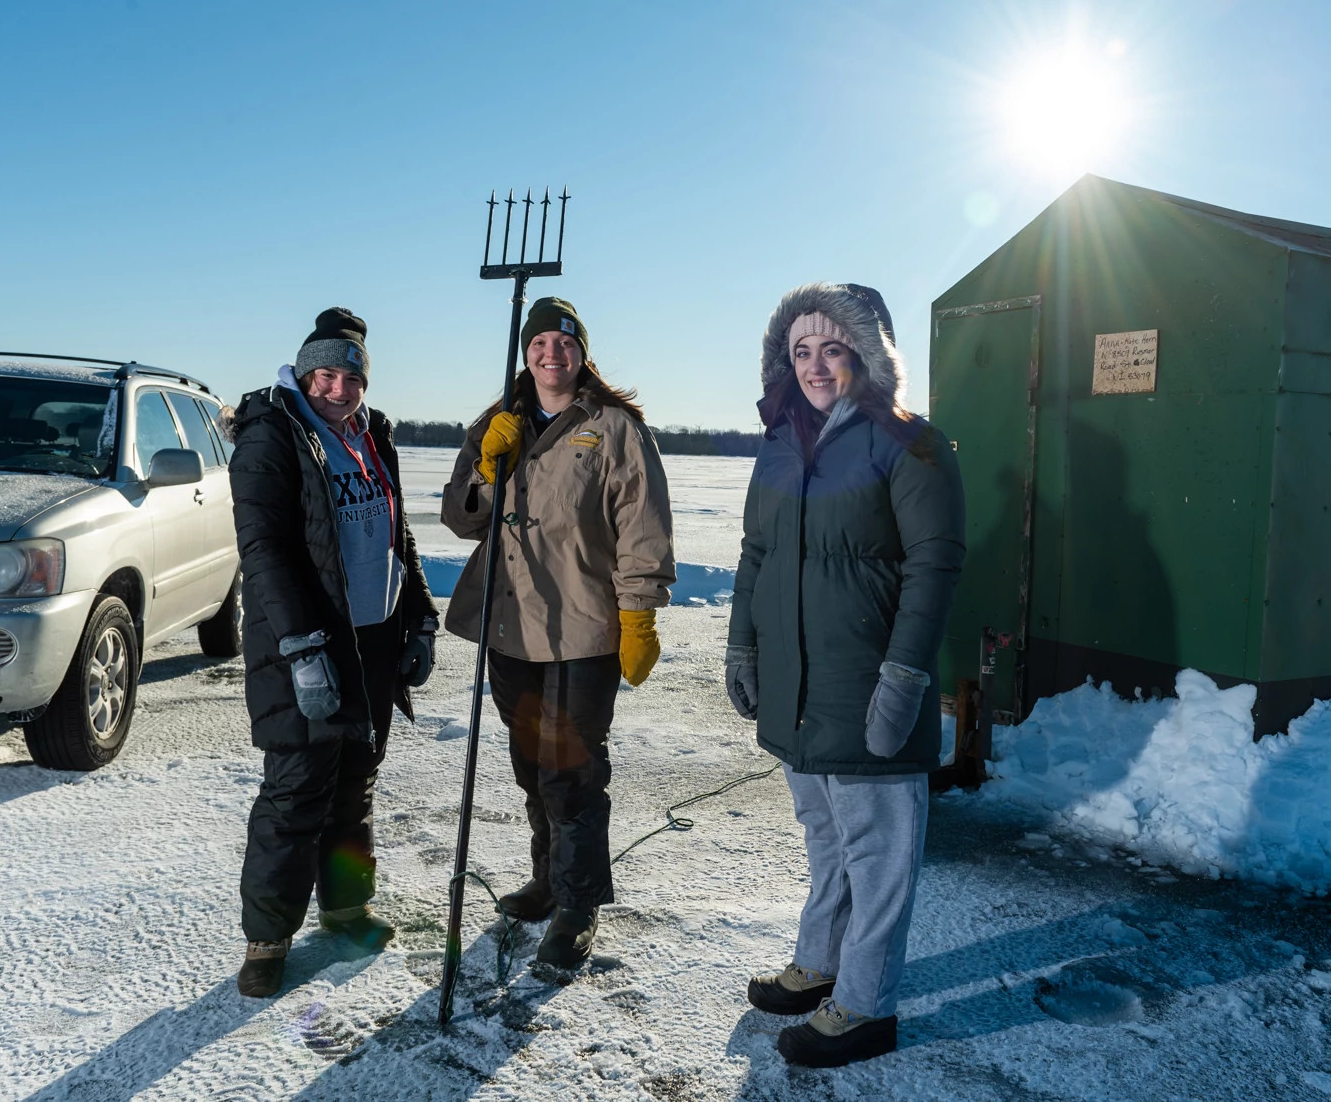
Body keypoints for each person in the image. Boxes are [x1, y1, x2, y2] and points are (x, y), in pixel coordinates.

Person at [727, 282, 965, 1067]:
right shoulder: (778, 443)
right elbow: (755, 556)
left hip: (867, 685)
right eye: (800, 350)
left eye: (833, 347)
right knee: (825, 840)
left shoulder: (912, 445)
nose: (817, 365)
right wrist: (744, 647)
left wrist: (902, 679)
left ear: (868, 353)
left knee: (879, 855)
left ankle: (864, 1006)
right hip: (800, 689)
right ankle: (819, 964)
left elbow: (934, 567)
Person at [440, 296, 674, 968]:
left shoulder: (612, 428)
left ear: (581, 353)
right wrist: (489, 465)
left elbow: (643, 524)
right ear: (526, 353)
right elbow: (463, 518)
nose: (551, 354)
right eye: (539, 343)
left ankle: (576, 906)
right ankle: (546, 881)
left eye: (563, 344)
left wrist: (638, 612)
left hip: (584, 630)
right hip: (513, 627)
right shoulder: (497, 422)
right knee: (530, 768)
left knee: (571, 773)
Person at [227, 306, 438, 998]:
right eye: (324, 373)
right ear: (303, 372)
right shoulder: (272, 434)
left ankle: (346, 911)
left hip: (371, 638)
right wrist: (300, 646)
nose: (338, 388)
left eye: (349, 376)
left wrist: (421, 617)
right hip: (306, 642)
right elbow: (265, 553)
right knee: (295, 792)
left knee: (355, 780)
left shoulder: (371, 433)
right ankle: (267, 941)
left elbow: (393, 533)